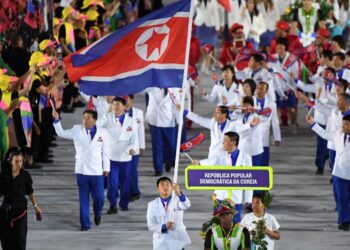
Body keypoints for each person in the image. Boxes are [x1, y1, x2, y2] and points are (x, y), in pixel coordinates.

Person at [52, 109, 110, 231]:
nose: (85, 120)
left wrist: (106, 168)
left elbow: (106, 151)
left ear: (95, 120)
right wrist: (56, 119)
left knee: (99, 198)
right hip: (82, 170)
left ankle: (97, 213)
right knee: (83, 199)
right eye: (84, 117)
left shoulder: (102, 132)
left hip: (96, 171)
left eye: (88, 118)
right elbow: (62, 133)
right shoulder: (77, 129)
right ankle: (85, 224)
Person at [192, 131, 252, 223]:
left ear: (233, 142)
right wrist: (199, 163)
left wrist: (248, 200)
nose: (223, 143)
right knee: (217, 222)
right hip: (220, 196)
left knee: (235, 223)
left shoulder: (246, 158)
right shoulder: (220, 153)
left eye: (225, 140)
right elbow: (210, 162)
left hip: (236, 198)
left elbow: (249, 180)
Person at [0, 149, 42, 250]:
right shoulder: (4, 176)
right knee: (6, 242)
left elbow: (30, 192)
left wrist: (36, 207)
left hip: (20, 212)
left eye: (21, 161)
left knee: (20, 241)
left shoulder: (25, 176)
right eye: (16, 161)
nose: (19, 164)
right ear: (10, 162)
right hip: (5, 212)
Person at [147, 176, 191, 250]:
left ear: (172, 187)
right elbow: (151, 225)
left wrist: (179, 193)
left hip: (177, 241)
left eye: (167, 184)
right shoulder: (152, 204)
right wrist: (164, 227)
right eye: (162, 185)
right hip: (161, 242)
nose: (165, 187)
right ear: (158, 189)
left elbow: (186, 204)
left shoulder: (177, 201)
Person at [125, 94, 145, 201]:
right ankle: (125, 191)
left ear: (131, 99)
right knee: (123, 172)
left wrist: (142, 146)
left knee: (133, 171)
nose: (124, 101)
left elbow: (141, 130)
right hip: (121, 148)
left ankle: (134, 191)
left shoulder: (139, 113)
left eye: (126, 98)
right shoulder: (116, 112)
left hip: (135, 148)